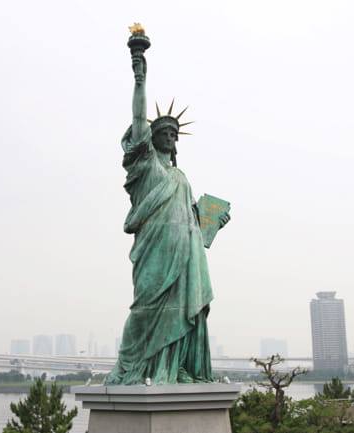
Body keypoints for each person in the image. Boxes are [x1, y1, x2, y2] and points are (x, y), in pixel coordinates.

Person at [105, 51, 230, 385]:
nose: (171, 136)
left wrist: (212, 222)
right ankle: (134, 367)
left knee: (183, 308)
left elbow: (193, 218)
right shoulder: (145, 166)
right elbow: (138, 118)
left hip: (186, 251)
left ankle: (176, 367)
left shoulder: (181, 177)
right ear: (151, 137)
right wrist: (140, 79)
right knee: (145, 308)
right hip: (154, 249)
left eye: (175, 133)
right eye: (164, 131)